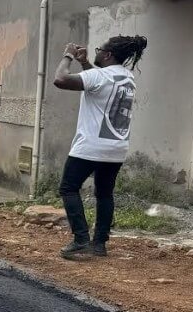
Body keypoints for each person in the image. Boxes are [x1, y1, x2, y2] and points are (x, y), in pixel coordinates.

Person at [52, 35, 148, 259]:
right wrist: (84, 63)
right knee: (104, 193)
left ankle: (81, 240)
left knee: (68, 187)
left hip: (91, 145)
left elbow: (60, 80)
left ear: (107, 55)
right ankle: (99, 244)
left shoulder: (99, 76)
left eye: (99, 49)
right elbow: (98, 83)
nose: (95, 51)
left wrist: (68, 55)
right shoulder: (127, 77)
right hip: (116, 147)